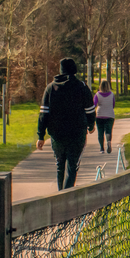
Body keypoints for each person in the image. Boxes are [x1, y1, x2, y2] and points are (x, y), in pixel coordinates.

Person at [37, 57, 95, 190]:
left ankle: (60, 192)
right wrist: (91, 125)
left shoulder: (50, 88)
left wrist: (41, 135)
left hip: (57, 134)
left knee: (60, 165)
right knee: (72, 166)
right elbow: (90, 109)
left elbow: (43, 113)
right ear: (74, 70)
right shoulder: (81, 87)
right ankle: (67, 196)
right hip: (77, 133)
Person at [93, 79, 116, 153]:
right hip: (110, 115)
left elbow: (94, 104)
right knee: (108, 130)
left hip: (99, 115)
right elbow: (113, 105)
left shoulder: (97, 94)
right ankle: (108, 142)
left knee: (100, 132)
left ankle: (101, 148)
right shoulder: (112, 94)